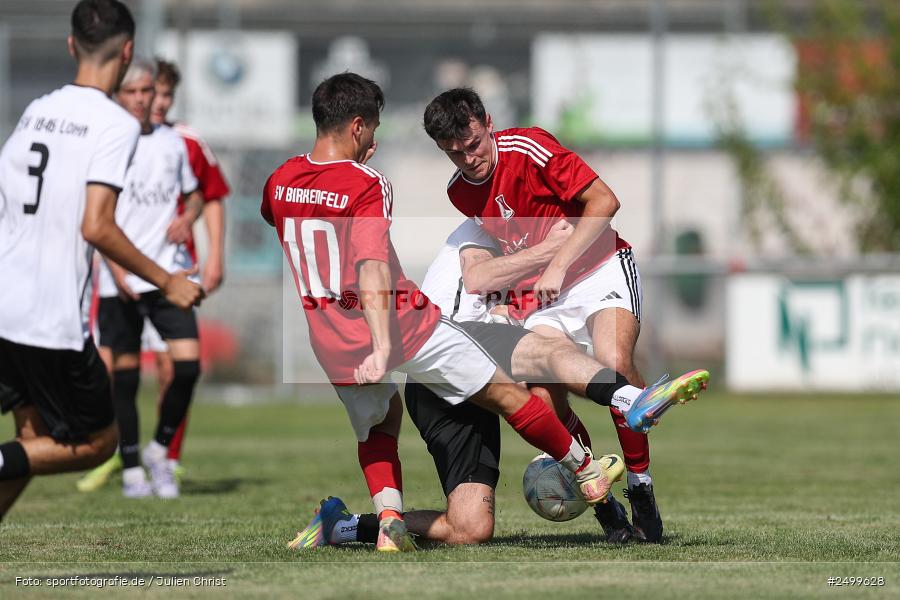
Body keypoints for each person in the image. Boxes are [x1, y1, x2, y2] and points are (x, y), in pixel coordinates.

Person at [262, 73, 623, 552]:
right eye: (373, 129)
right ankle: (584, 468)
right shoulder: (367, 183)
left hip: (332, 338)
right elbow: (371, 268)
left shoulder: (280, 181)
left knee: (380, 425)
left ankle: (380, 519)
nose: (373, 139)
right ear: (356, 127)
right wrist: (386, 344)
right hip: (405, 326)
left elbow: (281, 217)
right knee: (509, 394)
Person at [290, 219, 708, 547]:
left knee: (472, 528)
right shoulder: (482, 227)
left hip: (485, 368)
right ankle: (627, 404)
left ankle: (343, 527)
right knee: (546, 362)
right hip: (445, 356)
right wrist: (548, 251)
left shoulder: (544, 249)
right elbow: (477, 277)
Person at [421, 87, 689, 542]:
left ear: (488, 123)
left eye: (473, 146)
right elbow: (507, 246)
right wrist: (507, 293)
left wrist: (560, 261)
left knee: (615, 362)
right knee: (542, 400)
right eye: (455, 155)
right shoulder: (461, 193)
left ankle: (641, 488)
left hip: (599, 267)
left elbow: (604, 201)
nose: (469, 160)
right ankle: (604, 502)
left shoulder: (529, 147)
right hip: (545, 294)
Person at [0, 0, 203, 520]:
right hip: (48, 317)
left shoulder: (37, 109)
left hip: (6, 300)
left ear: (72, 46)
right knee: (98, 441)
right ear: (128, 50)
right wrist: (168, 281)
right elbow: (97, 225)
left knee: (32, 439)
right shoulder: (113, 124)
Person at [75, 57, 230, 492]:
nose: (144, 100)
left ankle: (160, 451)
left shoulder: (173, 142)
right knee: (122, 377)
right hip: (117, 280)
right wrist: (113, 264)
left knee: (186, 367)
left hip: (168, 275)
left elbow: (196, 195)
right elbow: (91, 216)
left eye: (149, 92)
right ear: (119, 95)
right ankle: (130, 470)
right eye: (135, 92)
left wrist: (188, 217)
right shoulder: (104, 142)